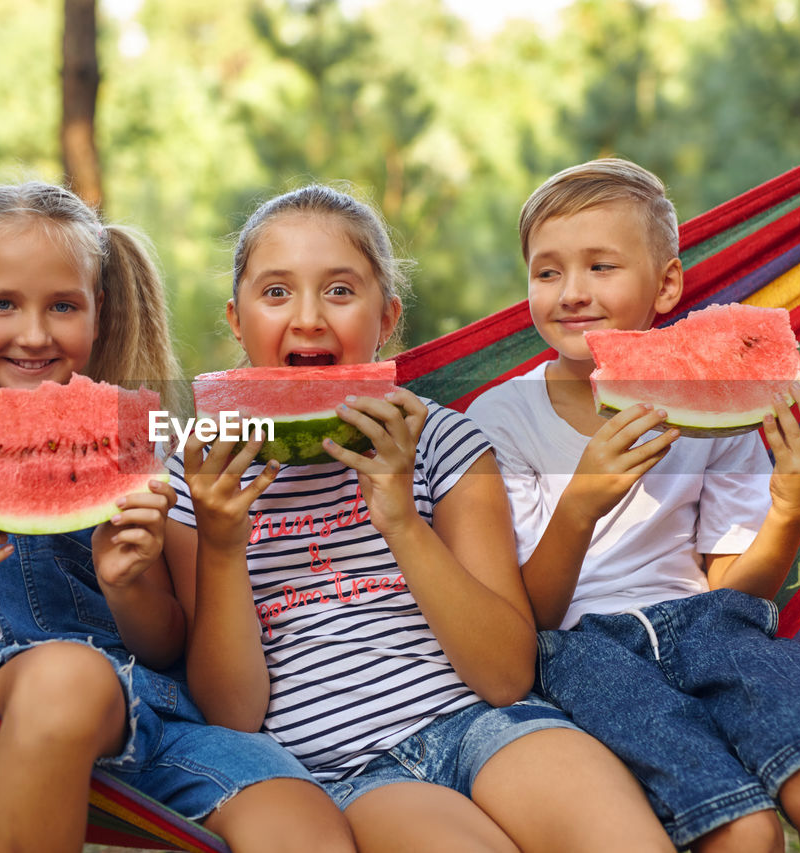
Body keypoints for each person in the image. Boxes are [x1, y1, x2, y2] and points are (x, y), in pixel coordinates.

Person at [0, 182, 354, 853]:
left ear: (98, 310)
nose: (35, 333)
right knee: (69, 673)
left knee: (306, 826)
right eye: (3, 304)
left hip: (161, 703)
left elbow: (164, 645)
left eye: (64, 305)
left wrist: (127, 583)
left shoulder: (144, 444)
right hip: (21, 689)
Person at [164, 183, 675, 853]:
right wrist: (223, 544)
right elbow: (233, 712)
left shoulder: (445, 442)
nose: (311, 317)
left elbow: (504, 672)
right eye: (277, 291)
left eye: (341, 290)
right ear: (236, 318)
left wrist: (402, 519)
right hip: (360, 775)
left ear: (388, 318)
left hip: (494, 724)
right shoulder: (201, 470)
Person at [466, 158, 800, 852]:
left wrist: (790, 504)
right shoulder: (501, 417)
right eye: (547, 272)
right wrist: (580, 504)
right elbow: (520, 626)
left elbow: (733, 590)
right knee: (744, 830)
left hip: (708, 625)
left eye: (601, 266)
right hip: (576, 647)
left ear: (667, 285)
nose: (572, 292)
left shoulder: (715, 405)